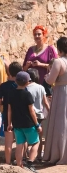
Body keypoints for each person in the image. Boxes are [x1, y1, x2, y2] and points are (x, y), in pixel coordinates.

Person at [7, 71, 42, 173]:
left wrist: (9, 123)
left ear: (16, 81)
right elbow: (31, 111)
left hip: (17, 124)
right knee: (36, 142)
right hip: (28, 124)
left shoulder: (11, 93)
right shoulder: (27, 94)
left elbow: (10, 110)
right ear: (27, 82)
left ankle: (19, 166)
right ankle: (30, 163)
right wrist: (37, 124)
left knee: (19, 145)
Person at [43, 37, 67, 165]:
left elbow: (50, 81)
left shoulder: (58, 62)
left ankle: (59, 154)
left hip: (61, 93)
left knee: (60, 123)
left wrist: (47, 76)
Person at [0, 62, 22, 164]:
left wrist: (4, 102)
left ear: (9, 72)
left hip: (7, 114)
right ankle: (20, 162)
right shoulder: (21, 85)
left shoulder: (3, 86)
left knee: (8, 142)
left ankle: (7, 162)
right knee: (20, 141)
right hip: (20, 114)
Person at [26, 68, 50, 160]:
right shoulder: (41, 87)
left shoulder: (25, 88)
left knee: (26, 138)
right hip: (39, 115)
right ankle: (39, 155)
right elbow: (45, 102)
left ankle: (26, 155)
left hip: (28, 115)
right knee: (39, 138)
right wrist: (49, 112)